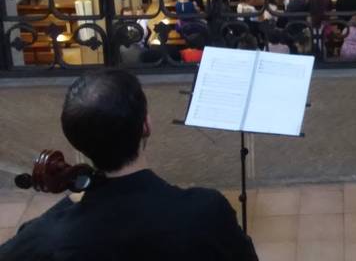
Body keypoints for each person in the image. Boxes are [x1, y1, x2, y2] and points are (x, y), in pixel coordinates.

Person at [0, 70, 258, 260]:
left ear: (77, 144)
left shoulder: (48, 238)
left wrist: (63, 208)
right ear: (146, 126)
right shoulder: (206, 212)